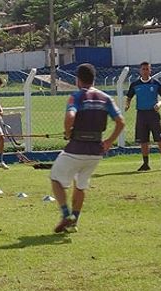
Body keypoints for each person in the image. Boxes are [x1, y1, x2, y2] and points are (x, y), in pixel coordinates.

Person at [50, 63, 125, 233]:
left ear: (78, 79)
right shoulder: (105, 98)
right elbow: (121, 122)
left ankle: (66, 214)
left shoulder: (76, 96)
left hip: (76, 149)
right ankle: (74, 221)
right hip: (96, 152)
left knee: (56, 179)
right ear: (93, 78)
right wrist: (109, 141)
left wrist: (68, 132)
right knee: (81, 185)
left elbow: (70, 116)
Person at [125, 62, 161, 171]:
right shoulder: (135, 84)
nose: (145, 71)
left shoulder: (156, 83)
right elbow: (129, 96)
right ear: (140, 71)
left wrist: (160, 103)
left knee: (159, 138)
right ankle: (146, 164)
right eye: (143, 69)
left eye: (147, 69)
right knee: (143, 140)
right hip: (141, 114)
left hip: (153, 114)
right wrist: (127, 104)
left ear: (150, 70)